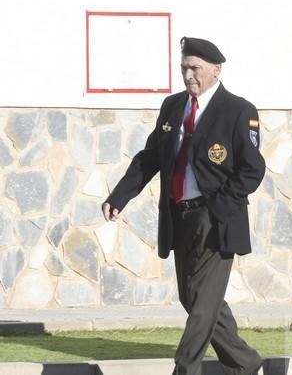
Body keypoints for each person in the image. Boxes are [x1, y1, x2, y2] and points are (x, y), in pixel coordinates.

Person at [101, 37, 265, 375]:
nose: (188, 75)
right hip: (178, 216)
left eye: (196, 68)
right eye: (184, 67)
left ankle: (184, 369)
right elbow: (151, 157)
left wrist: (222, 202)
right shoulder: (173, 107)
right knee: (194, 299)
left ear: (216, 70)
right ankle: (246, 364)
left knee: (203, 308)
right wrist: (120, 196)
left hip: (215, 219)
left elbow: (253, 168)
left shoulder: (238, 110)